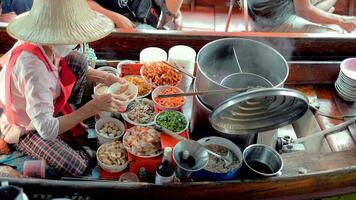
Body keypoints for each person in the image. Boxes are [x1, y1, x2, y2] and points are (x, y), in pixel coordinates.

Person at [0, 0, 130, 176]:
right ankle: (75, 134)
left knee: (79, 61)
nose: (76, 41)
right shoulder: (33, 69)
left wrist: (104, 77)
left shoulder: (42, 39)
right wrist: (92, 108)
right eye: (71, 34)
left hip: (41, 100)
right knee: (76, 166)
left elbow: (65, 61)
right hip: (24, 124)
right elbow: (46, 130)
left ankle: (67, 114)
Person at [248, 0, 356, 33]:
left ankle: (319, 18)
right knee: (337, 32)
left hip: (266, 9)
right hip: (271, 22)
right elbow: (303, 10)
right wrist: (340, 20)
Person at [87, 0, 183, 30]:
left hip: (148, 13)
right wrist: (116, 18)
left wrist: (173, 12)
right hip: (111, 20)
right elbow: (83, 3)